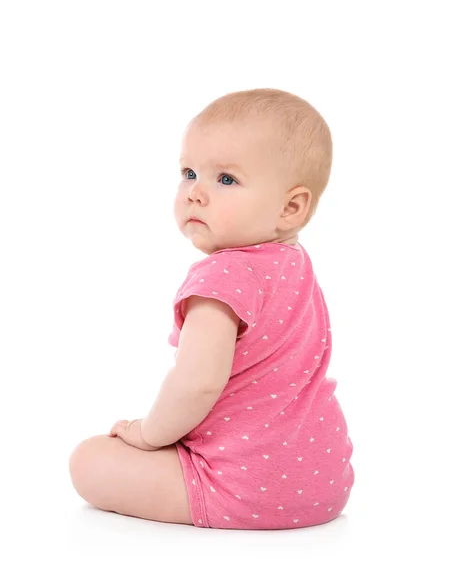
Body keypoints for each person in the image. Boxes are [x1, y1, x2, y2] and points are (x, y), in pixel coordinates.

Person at [69, 88, 355, 530]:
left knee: (88, 460)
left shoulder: (221, 277)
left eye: (226, 180)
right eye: (188, 173)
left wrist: (148, 433)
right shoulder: (295, 266)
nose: (195, 193)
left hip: (246, 488)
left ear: (291, 207)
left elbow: (197, 383)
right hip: (325, 484)